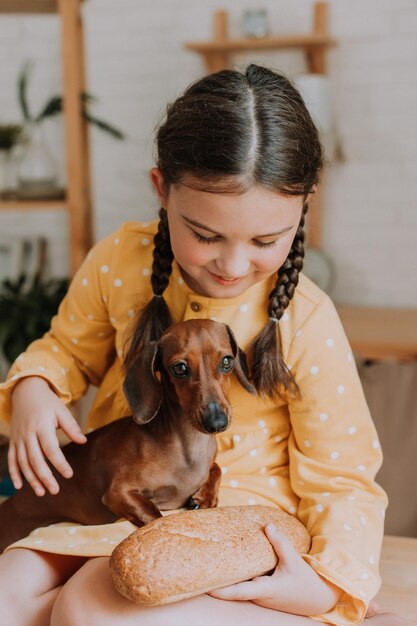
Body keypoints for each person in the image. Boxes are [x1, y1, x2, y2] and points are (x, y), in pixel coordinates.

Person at [0, 64, 407, 626]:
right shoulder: (121, 261)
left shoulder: (306, 319)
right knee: (7, 595)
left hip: (237, 522)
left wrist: (331, 581)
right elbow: (66, 350)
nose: (233, 265)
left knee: (89, 608)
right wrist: (37, 384)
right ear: (162, 189)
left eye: (266, 240)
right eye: (206, 234)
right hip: (121, 507)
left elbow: (344, 475)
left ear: (303, 204)